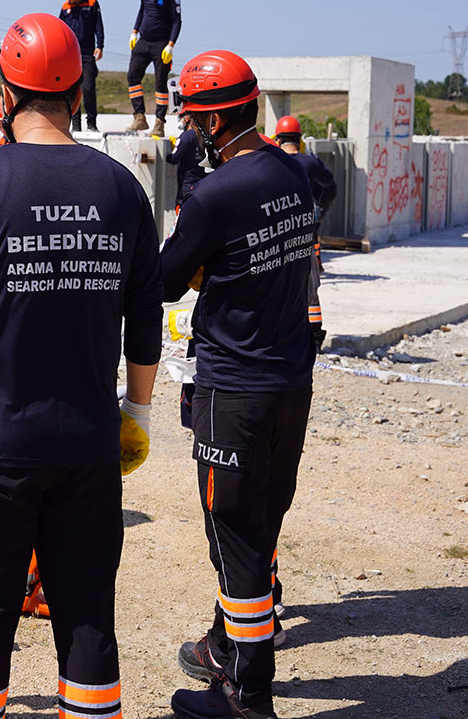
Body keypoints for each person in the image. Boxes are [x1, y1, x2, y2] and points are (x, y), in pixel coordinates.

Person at [0, 12, 164, 719]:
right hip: (86, 447)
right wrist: (136, 413)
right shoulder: (121, 190)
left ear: (5, 96)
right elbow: (145, 316)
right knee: (86, 619)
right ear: (76, 94)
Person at [158, 51, 316, 719]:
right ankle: (226, 647)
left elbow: (165, 282)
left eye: (196, 120)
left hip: (235, 389)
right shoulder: (297, 171)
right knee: (262, 520)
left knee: (236, 539)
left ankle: (248, 698)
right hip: (290, 381)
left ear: (219, 118)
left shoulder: (215, 194)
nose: (191, 133)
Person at [273, 115, 336, 350]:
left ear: (278, 138)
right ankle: (314, 334)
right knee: (310, 288)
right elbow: (328, 182)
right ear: (299, 139)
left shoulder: (272, 161)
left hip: (278, 235)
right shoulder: (309, 163)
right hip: (304, 233)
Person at [127, 0, 182, 135]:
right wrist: (134, 32)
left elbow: (177, 21)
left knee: (160, 83)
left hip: (162, 45)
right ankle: (139, 117)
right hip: (144, 41)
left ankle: (159, 123)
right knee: (132, 76)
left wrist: (171, 45)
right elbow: (141, 11)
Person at [57, 0, 104, 132]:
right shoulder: (65, 8)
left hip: (87, 55)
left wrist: (100, 46)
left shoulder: (92, 3)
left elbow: (98, 27)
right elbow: (59, 30)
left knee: (88, 89)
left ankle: (92, 124)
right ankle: (75, 126)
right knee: (72, 92)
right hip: (70, 57)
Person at [167, 110, 207, 210]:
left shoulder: (186, 136)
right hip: (203, 183)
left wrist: (166, 154)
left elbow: (174, 158)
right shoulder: (205, 136)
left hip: (187, 185)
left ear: (187, 118)